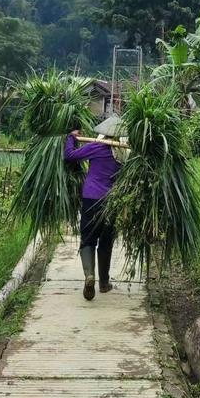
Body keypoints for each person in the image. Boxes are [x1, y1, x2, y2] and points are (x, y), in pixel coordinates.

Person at [64, 115, 124, 301]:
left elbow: (70, 156)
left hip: (91, 198)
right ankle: (104, 284)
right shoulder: (124, 154)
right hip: (111, 201)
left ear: (103, 133)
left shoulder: (96, 147)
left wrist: (71, 138)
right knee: (106, 241)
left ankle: (89, 275)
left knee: (88, 238)